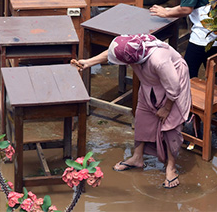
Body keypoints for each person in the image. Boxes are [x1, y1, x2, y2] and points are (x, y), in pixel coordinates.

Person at [74, 34, 190, 189]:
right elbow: (112, 52)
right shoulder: (129, 45)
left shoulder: (158, 60)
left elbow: (174, 87)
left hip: (174, 82)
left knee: (170, 126)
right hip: (151, 82)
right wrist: (88, 62)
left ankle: (171, 167)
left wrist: (167, 108)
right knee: (142, 116)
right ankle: (137, 157)